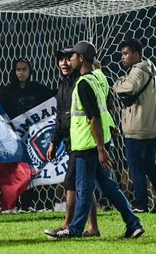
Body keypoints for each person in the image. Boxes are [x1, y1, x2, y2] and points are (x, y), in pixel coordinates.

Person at [46, 41, 143, 240]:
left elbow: (94, 117)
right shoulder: (98, 77)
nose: (69, 60)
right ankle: (133, 224)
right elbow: (103, 109)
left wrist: (100, 148)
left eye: (72, 56)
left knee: (83, 189)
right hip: (97, 143)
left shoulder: (82, 85)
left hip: (87, 145)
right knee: (109, 187)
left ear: (81, 58)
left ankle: (73, 230)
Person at [45, 48, 99, 237]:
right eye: (61, 60)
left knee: (72, 183)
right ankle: (93, 227)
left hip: (82, 140)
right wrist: (54, 142)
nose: (64, 63)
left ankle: (68, 224)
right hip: (71, 141)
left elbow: (93, 113)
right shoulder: (62, 86)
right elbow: (61, 117)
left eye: (68, 59)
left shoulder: (81, 83)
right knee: (87, 184)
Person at [112, 38, 156, 214]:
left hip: (137, 129)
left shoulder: (137, 71)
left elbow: (129, 87)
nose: (122, 57)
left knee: (135, 166)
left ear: (136, 54)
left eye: (126, 54)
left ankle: (140, 203)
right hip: (152, 127)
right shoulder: (150, 69)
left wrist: (117, 84)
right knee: (150, 164)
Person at [0, 57, 55, 211]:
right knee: (15, 171)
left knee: (32, 169)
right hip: (13, 138)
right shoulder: (7, 91)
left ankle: (27, 204)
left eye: (24, 69)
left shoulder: (38, 89)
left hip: (34, 138)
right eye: (18, 69)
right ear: (14, 71)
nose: (21, 72)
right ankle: (13, 204)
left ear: (30, 71)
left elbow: (53, 100)